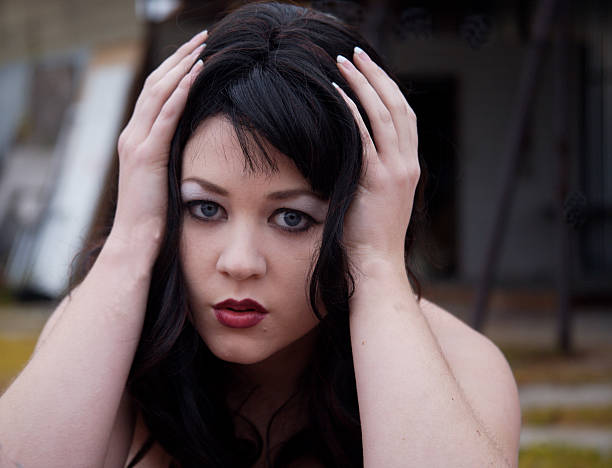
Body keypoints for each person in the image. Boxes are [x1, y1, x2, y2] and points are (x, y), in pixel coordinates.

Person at [0, 2, 521, 467]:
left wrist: (377, 263)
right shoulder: (106, 338)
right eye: (205, 208)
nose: (240, 262)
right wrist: (132, 239)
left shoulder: (459, 366)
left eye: (292, 218)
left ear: (359, 212)